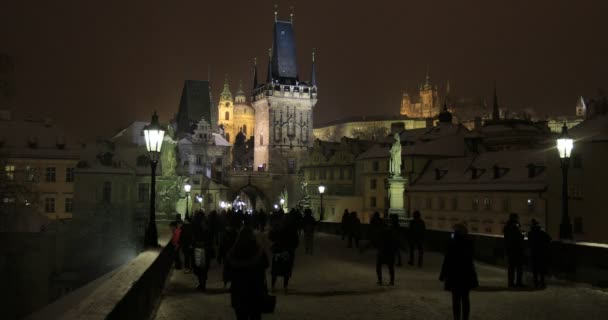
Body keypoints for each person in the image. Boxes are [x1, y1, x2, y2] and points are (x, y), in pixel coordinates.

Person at [226, 227, 269, 320]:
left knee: (241, 316)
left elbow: (228, 271)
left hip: (239, 290)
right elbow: (266, 264)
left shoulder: (234, 251)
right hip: (255, 288)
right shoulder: (257, 249)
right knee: (255, 315)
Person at [440, 224, 478, 320]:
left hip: (454, 274)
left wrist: (442, 274)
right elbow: (471, 259)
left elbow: (447, 260)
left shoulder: (452, 243)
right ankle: (465, 318)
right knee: (465, 298)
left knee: (456, 299)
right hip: (466, 274)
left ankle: (456, 318)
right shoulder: (469, 243)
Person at [269, 216, 299, 294]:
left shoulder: (279, 228)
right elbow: (296, 242)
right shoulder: (293, 230)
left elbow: (271, 237)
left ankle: (273, 286)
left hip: (278, 251)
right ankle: (285, 286)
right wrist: (291, 249)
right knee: (286, 269)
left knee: (275, 269)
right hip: (288, 252)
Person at [191, 210, 214, 291]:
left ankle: (201, 284)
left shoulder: (195, 225)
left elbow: (193, 236)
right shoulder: (206, 225)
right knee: (203, 267)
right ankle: (202, 284)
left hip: (198, 248)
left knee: (199, 267)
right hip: (205, 249)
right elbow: (210, 237)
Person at [527, 219, 551, 289]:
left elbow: (529, 243)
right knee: (542, 269)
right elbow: (549, 238)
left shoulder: (530, 233)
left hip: (533, 253)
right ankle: (542, 283)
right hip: (541, 253)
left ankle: (536, 283)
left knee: (535, 269)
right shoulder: (542, 232)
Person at [503, 213, 525, 287]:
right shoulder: (515, 226)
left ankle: (511, 283)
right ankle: (519, 282)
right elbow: (519, 236)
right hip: (517, 249)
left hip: (509, 249)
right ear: (515, 218)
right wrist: (523, 234)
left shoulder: (506, 226)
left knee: (511, 268)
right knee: (519, 267)